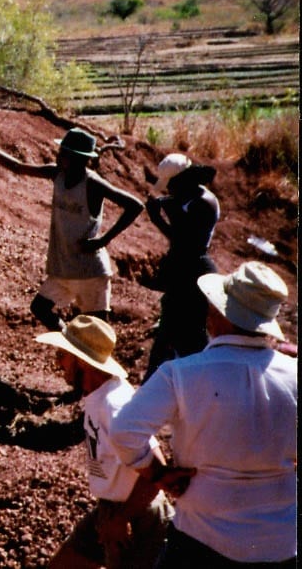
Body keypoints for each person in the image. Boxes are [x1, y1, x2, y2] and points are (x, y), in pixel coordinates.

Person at [112, 261, 298, 568]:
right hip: (279, 544)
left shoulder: (181, 374)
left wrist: (157, 473)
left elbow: (124, 432)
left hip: (200, 538)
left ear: (220, 315)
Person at [35, 315, 172, 569]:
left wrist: (122, 519)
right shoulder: (97, 395)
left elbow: (155, 472)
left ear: (81, 361)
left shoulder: (115, 405)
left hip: (136, 515)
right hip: (110, 508)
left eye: (62, 356)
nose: (58, 364)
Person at [0, 128, 143, 330]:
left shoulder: (93, 183)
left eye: (63, 153)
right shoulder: (56, 174)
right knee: (40, 308)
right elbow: (18, 167)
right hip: (64, 268)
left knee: (97, 332)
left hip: (90, 272)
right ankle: (69, 341)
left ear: (79, 159)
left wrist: (103, 240)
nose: (58, 156)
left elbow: (135, 205)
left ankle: (86, 357)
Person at [141, 154, 219, 382]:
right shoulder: (189, 198)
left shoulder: (203, 204)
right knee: (170, 335)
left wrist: (158, 219)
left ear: (182, 181)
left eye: (171, 186)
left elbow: (183, 241)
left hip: (193, 273)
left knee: (190, 336)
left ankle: (204, 387)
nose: (170, 192)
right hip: (184, 271)